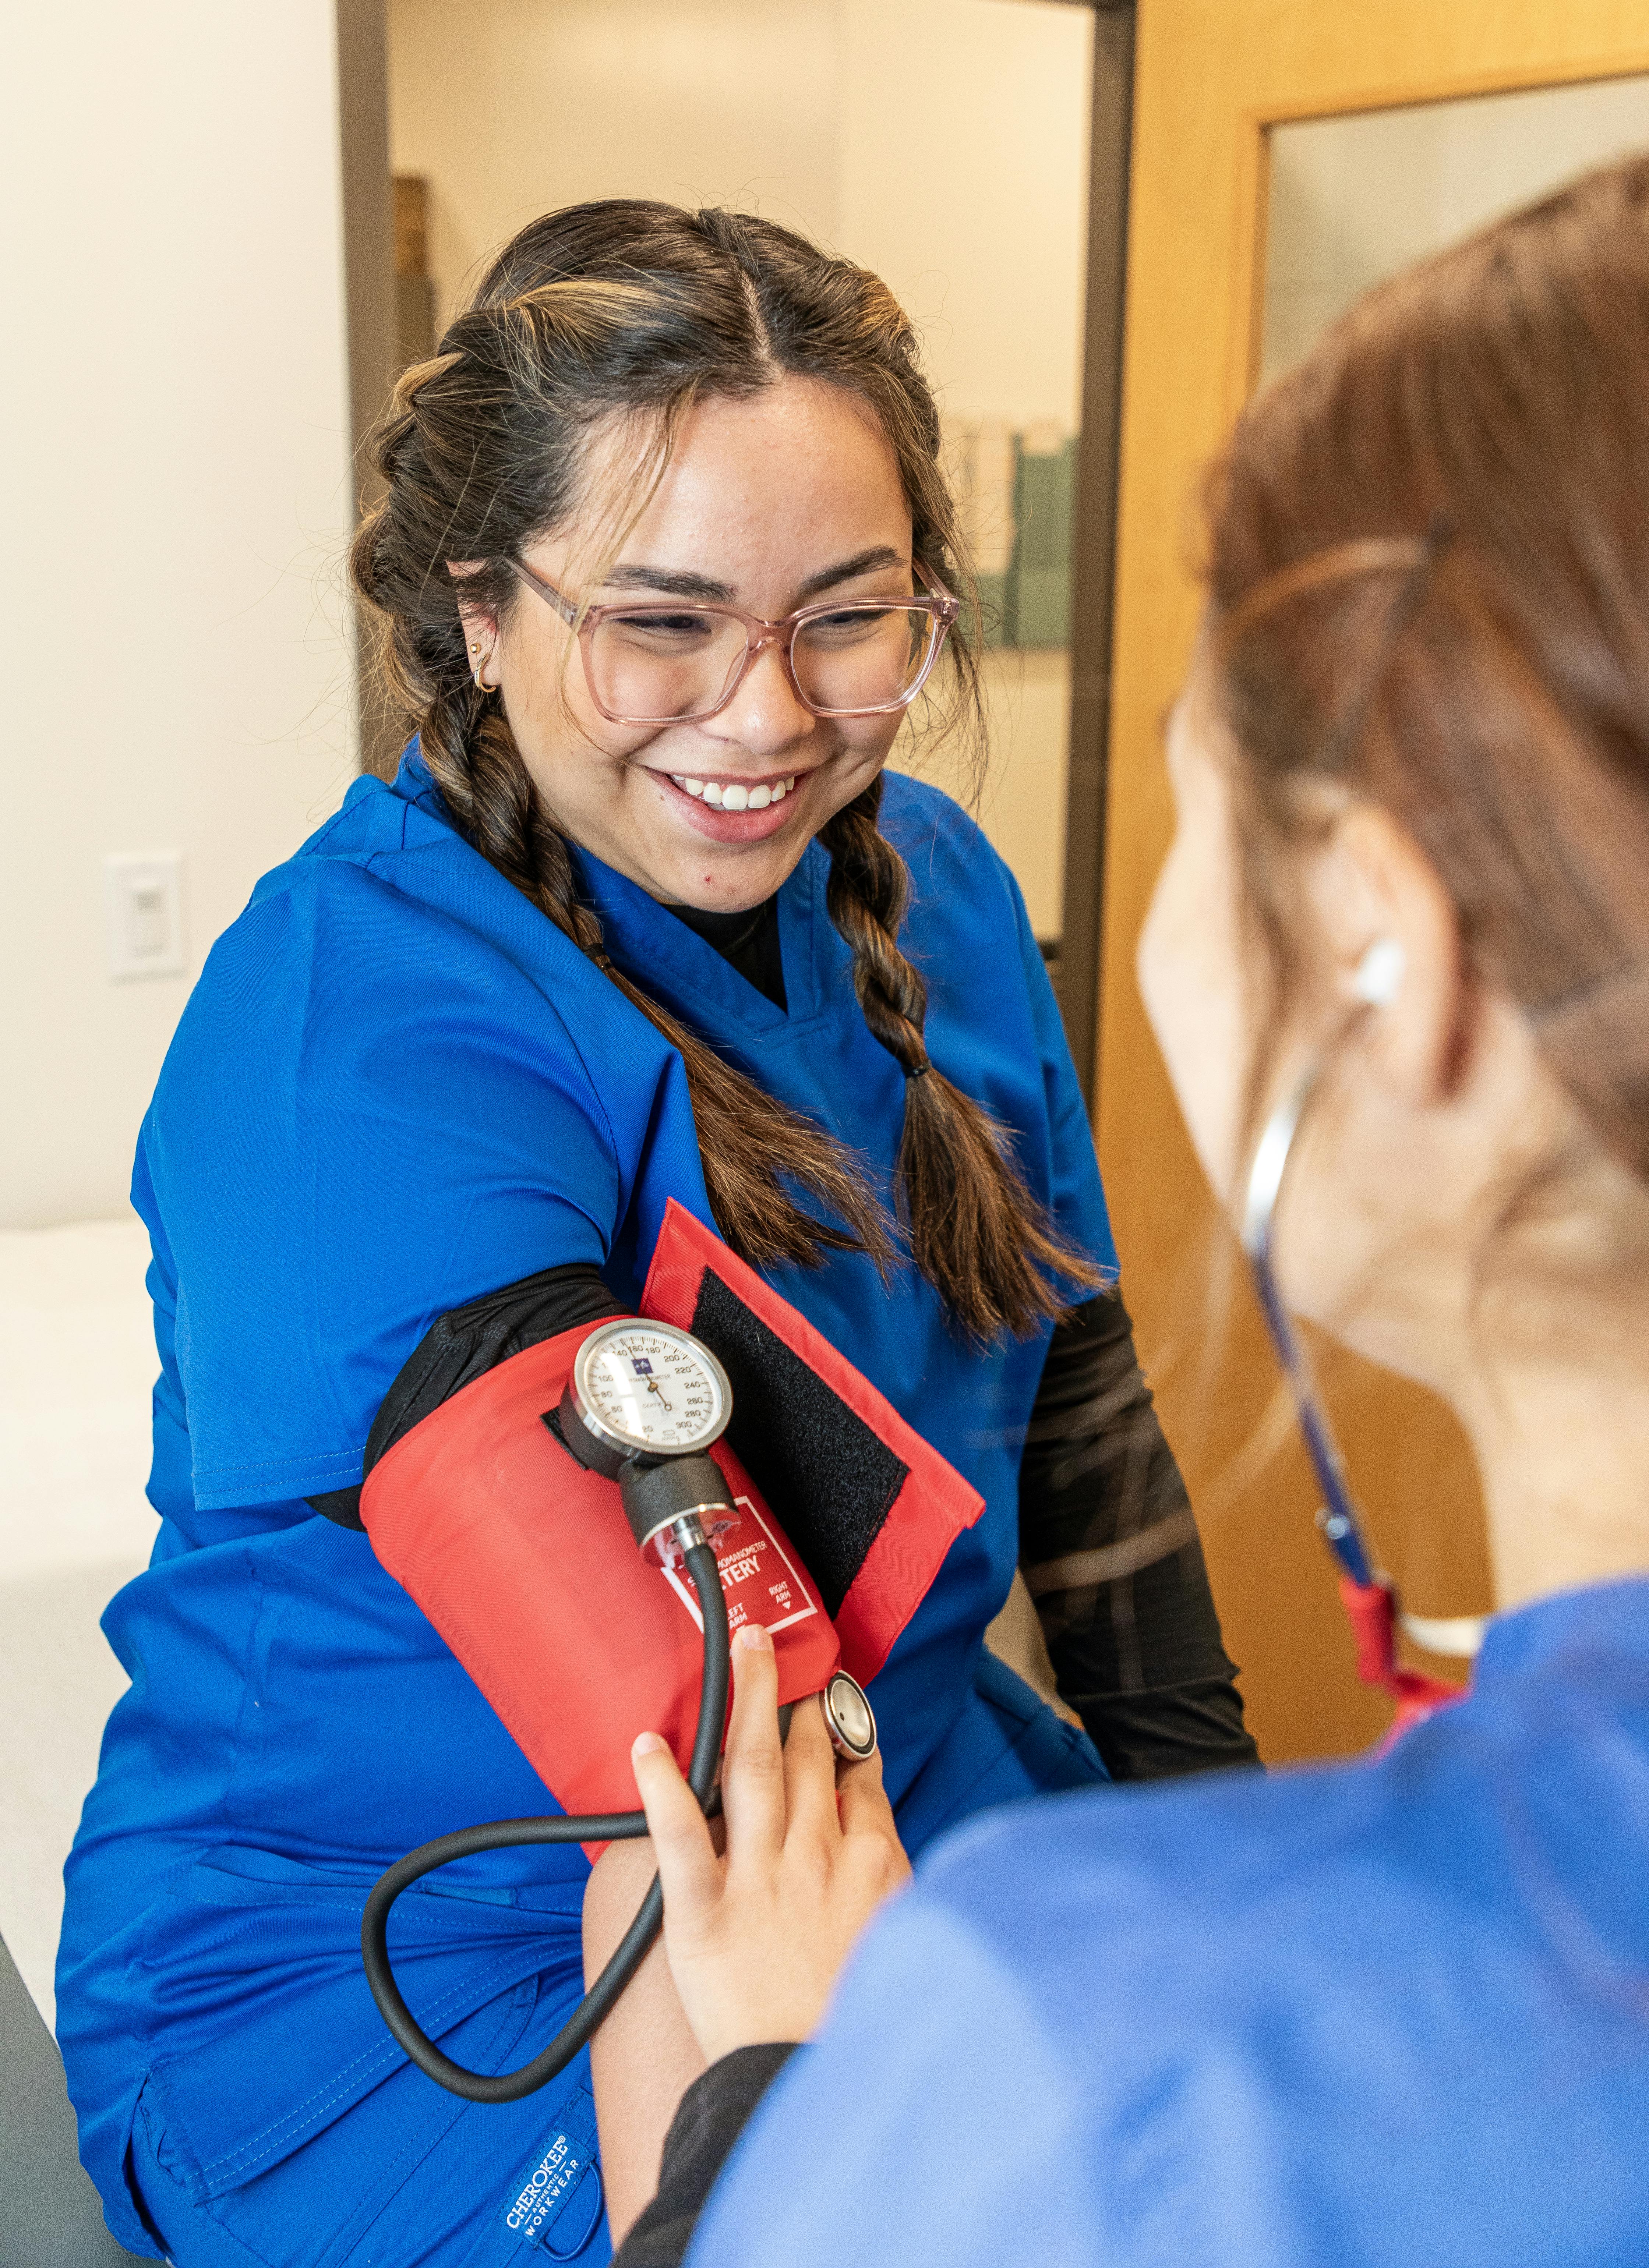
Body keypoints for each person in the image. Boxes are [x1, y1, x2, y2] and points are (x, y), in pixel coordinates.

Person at [56, 202, 1256, 2268]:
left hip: (898, 1778)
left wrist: (1216, 1847)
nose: (767, 714)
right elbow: (688, 1716)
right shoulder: (356, 1037)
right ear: (480, 616)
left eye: (848, 617)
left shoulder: (937, 889)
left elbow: (1077, 1402)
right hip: (440, 1948)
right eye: (665, 620)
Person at [610, 156, 1649, 2267]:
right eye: (665, 619)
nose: (769, 708)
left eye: (1200, 783)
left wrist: (749, 2125)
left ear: (1384, 941)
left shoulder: (1079, 2053)